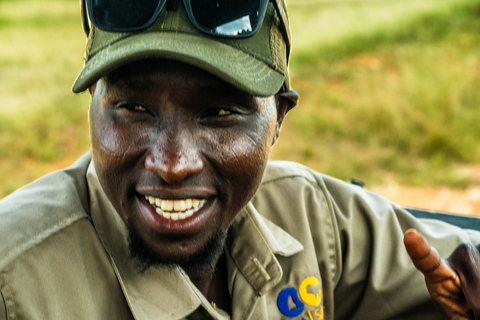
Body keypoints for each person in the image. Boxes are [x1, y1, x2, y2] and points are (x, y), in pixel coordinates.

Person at [0, 0, 479, 319]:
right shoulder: (15, 284)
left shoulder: (309, 217)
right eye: (134, 108)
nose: (173, 164)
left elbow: (462, 264)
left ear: (278, 120)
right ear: (94, 104)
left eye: (220, 113)